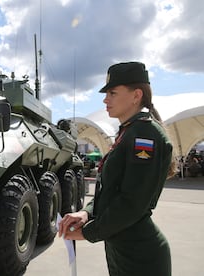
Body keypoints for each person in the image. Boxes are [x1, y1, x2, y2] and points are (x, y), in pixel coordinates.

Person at [58, 61, 177, 276]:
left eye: (113, 92)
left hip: (140, 257)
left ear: (136, 95)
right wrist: (86, 213)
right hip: (123, 248)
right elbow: (110, 191)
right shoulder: (129, 132)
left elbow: (132, 202)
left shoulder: (144, 136)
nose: (105, 99)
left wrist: (87, 232)